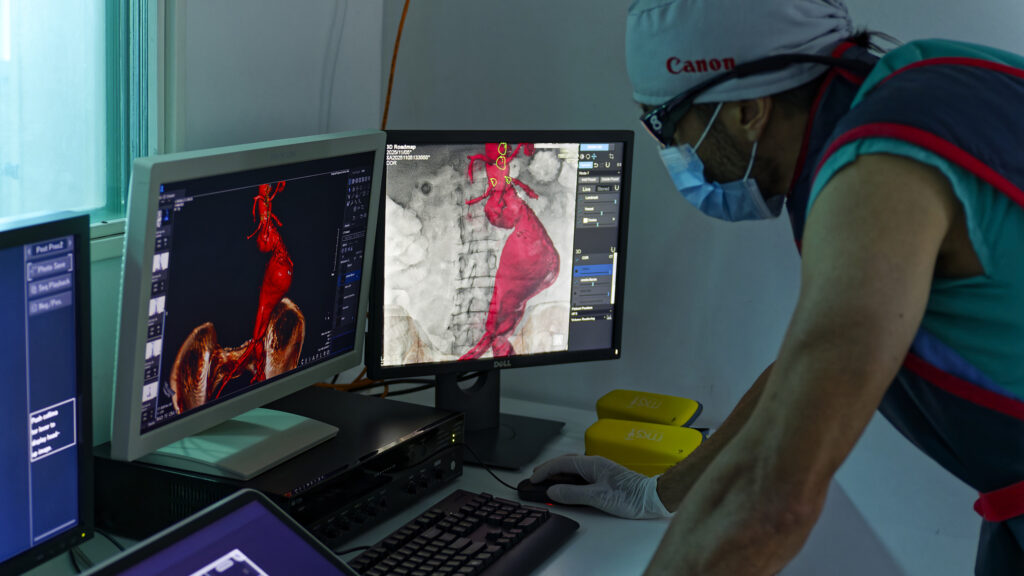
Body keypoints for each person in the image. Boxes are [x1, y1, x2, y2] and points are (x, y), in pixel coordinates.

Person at [531, 0, 1024, 574]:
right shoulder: (927, 78)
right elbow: (810, 366)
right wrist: (660, 493)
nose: (672, 153)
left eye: (664, 125)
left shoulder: (880, 168)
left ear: (747, 111)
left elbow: (773, 505)